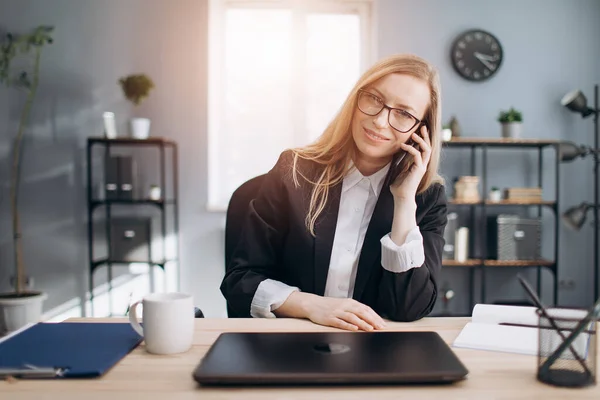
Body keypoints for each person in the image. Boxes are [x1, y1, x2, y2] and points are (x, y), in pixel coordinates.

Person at [221, 53, 448, 331]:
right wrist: (311, 305)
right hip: (290, 340)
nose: (379, 121)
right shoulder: (292, 170)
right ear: (355, 101)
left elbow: (408, 308)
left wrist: (404, 202)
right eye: (375, 99)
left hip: (376, 349)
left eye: (403, 113)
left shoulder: (426, 197)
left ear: (421, 131)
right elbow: (239, 281)